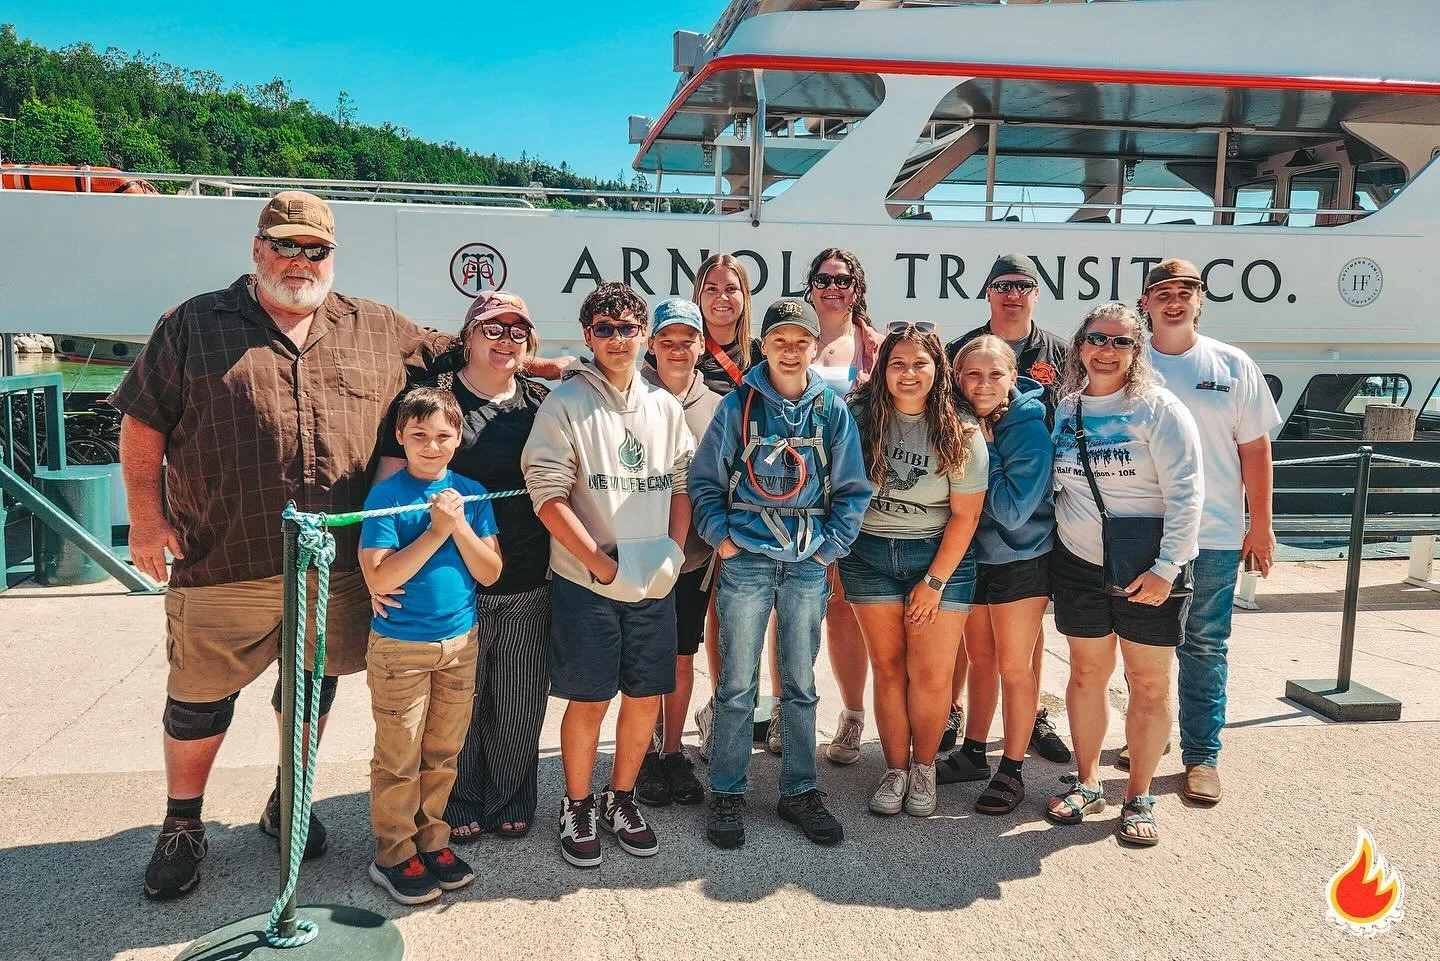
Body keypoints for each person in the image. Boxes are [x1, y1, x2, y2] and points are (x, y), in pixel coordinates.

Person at [114, 191, 450, 901]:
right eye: (286, 245)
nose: (301, 261)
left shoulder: (375, 326)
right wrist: (145, 518)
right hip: (223, 558)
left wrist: (557, 367)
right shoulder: (192, 324)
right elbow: (143, 422)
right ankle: (182, 821)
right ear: (258, 248)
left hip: (330, 566)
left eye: (316, 249)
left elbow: (464, 349)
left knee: (312, 682)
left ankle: (286, 800)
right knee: (199, 698)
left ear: (333, 255)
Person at [521, 282, 694, 868]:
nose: (617, 339)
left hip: (651, 581)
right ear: (588, 336)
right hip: (585, 581)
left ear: (644, 334)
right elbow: (546, 494)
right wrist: (599, 564)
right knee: (590, 699)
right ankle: (577, 803)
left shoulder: (665, 407)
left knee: (646, 696)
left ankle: (623, 798)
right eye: (604, 329)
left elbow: (681, 481)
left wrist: (672, 550)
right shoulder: (564, 404)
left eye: (628, 328)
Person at [689, 297, 871, 849]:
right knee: (737, 682)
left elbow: (851, 488)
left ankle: (798, 788)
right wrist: (722, 540)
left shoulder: (830, 409)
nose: (790, 351)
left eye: (801, 342)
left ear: (815, 347)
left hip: (806, 563)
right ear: (762, 345)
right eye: (779, 341)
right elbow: (704, 482)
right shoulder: (738, 406)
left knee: (800, 682)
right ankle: (727, 789)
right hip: (746, 560)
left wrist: (827, 549)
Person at [374, 290, 553, 843]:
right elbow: (388, 488)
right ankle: (460, 800)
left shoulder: (542, 402)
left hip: (525, 575)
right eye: (492, 329)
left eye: (517, 330)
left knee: (520, 703)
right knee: (462, 710)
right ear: (469, 336)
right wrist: (378, 572)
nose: (505, 340)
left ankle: (512, 796)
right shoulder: (435, 402)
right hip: (448, 585)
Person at [1044, 303, 1202, 847]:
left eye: (1120, 343)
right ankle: (1087, 780)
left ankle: (1137, 793)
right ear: (1079, 346)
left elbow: (1187, 494)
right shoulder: (1067, 409)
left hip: (1147, 568)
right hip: (1078, 562)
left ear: (1138, 352)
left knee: (1149, 680)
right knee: (1086, 674)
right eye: (1096, 340)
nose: (1106, 351)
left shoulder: (1158, 409)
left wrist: (1167, 568)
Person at [1140, 259, 1279, 804]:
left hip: (1216, 534)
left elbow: (1255, 448)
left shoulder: (1232, 363)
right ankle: (1146, 737)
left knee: (1204, 645)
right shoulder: (1131, 362)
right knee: (1143, 643)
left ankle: (1202, 755)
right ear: (1145, 303)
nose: (1174, 302)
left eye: (1186, 292)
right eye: (1163, 293)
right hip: (1147, 532)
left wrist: (1261, 526)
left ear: (1200, 300)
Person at [359, 388, 502, 904]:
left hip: (461, 643)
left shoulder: (471, 493)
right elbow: (379, 576)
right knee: (399, 754)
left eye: (443, 436)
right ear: (401, 437)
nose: (432, 445)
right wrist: (437, 531)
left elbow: (490, 571)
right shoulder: (386, 497)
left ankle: (432, 838)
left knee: (443, 751)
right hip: (401, 648)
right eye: (419, 435)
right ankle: (393, 851)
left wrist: (459, 522)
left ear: (458, 438)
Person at [840, 321, 986, 817]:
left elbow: (966, 516)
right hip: (869, 555)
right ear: (883, 369)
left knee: (930, 674)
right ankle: (895, 767)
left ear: (937, 369)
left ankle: (925, 767)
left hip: (938, 557)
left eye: (920, 363)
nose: (908, 373)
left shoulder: (959, 427)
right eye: (897, 363)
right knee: (887, 669)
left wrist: (934, 582)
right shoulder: (858, 418)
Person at [942, 253, 1072, 764]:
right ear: (989, 292)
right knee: (979, 655)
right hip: (972, 547)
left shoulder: (1059, 354)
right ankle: (967, 732)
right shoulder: (960, 349)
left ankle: (1024, 737)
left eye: (1023, 285)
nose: (1012, 293)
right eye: (1002, 285)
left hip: (1024, 544)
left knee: (1019, 653)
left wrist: (986, 451)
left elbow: (1044, 433)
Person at [951, 336, 1056, 813]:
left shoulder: (1029, 429)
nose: (984, 383)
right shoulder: (960, 421)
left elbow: (1014, 511)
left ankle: (1012, 768)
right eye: (973, 374)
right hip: (975, 558)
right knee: (980, 661)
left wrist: (981, 459)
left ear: (1014, 378)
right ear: (957, 377)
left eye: (996, 374)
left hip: (1021, 558)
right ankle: (973, 750)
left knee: (1016, 667)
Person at [635, 298, 722, 807]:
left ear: (701, 345)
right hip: (638, 554)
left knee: (681, 656)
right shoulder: (630, 398)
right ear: (651, 344)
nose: (677, 349)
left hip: (692, 558)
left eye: (687, 340)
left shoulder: (716, 407)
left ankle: (672, 752)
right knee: (645, 658)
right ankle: (643, 750)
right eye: (666, 340)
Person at [803, 248, 885, 765]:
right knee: (786, 613)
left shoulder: (872, 345)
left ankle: (852, 716)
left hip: (853, 496)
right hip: (794, 497)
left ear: (858, 286)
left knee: (842, 611)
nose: (833, 286)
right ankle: (787, 712)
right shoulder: (794, 338)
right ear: (811, 286)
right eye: (824, 278)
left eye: (843, 278)